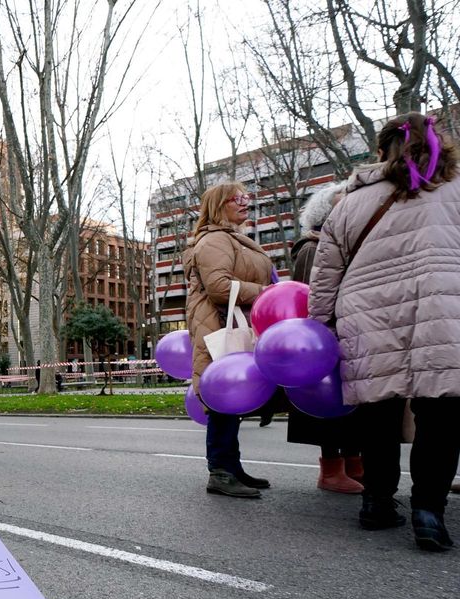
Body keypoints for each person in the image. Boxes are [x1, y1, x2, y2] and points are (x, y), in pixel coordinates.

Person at [309, 112, 460, 552]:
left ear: (380, 150)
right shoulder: (455, 190)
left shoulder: (351, 203)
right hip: (443, 308)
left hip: (366, 316)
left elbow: (325, 274)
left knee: (378, 411)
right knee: (441, 413)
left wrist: (321, 327)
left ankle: (376, 501)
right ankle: (428, 511)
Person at [184, 180, 275, 499]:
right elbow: (220, 287)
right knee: (223, 396)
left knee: (233, 398)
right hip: (217, 325)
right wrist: (266, 293)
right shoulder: (214, 241)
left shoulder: (234, 238)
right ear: (218, 205)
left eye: (247, 196)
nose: (245, 202)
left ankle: (231, 467)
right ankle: (220, 471)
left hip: (232, 322)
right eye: (237, 198)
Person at [287, 181, 364, 494]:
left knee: (352, 403)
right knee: (329, 403)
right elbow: (310, 295)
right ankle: (331, 470)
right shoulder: (311, 248)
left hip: (346, 334)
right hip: (322, 340)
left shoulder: (341, 244)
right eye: (339, 201)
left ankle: (355, 463)